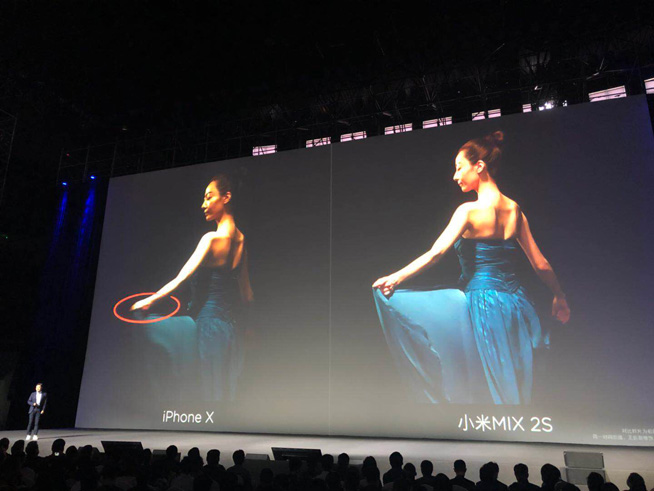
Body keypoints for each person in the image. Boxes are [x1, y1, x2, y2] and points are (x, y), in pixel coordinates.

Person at [373, 131, 570, 404]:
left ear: (479, 166)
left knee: (491, 383)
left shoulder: (468, 211)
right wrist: (559, 296)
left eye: (459, 167)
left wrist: (396, 278)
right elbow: (540, 263)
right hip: (517, 304)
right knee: (513, 376)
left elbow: (436, 253)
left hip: (484, 304)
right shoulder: (515, 210)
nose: (456, 176)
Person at [132, 174, 253, 401]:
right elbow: (247, 295)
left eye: (209, 197)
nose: (203, 204)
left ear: (226, 197)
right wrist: (247, 330)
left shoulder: (211, 239)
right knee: (218, 394)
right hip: (229, 332)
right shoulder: (242, 241)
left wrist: (150, 300)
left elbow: (182, 279)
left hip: (206, 327)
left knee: (199, 392)